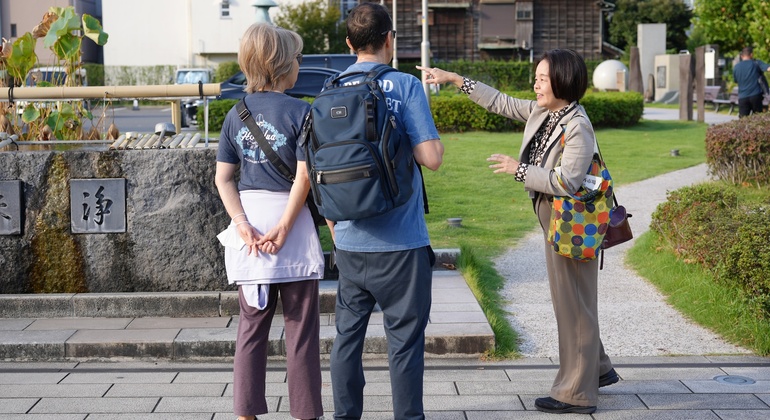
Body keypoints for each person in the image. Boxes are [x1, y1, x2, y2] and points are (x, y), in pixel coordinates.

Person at [419, 49, 619, 415]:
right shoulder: (548, 113)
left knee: (574, 305)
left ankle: (576, 393)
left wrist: (519, 169)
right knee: (573, 299)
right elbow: (500, 102)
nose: (536, 84)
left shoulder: (577, 125)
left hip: (571, 220)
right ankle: (599, 369)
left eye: (542, 79)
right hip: (556, 218)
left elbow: (567, 180)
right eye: (537, 78)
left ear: (562, 81)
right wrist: (453, 79)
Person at [327, 3, 444, 420]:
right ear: (390, 40)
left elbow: (318, 166)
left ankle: (345, 416)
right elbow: (431, 158)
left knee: (346, 340)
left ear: (349, 43)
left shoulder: (330, 90)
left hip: (351, 243)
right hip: (402, 244)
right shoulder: (405, 86)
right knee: (405, 343)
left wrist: (335, 229)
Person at [214, 23, 324, 420]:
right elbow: (304, 176)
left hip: (251, 236)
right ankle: (306, 413)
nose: (299, 64)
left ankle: (245, 413)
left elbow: (223, 178)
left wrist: (242, 224)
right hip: (291, 233)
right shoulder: (302, 111)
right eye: (296, 58)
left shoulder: (234, 114)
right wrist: (286, 224)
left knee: (250, 329)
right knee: (301, 333)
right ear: (282, 66)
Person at [733, 46, 770, 118]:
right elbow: (768, 68)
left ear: (741, 56)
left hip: (742, 97)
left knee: (742, 122)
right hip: (755, 96)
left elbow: (736, 80)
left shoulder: (736, 67)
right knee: (758, 120)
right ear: (751, 55)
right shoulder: (756, 63)